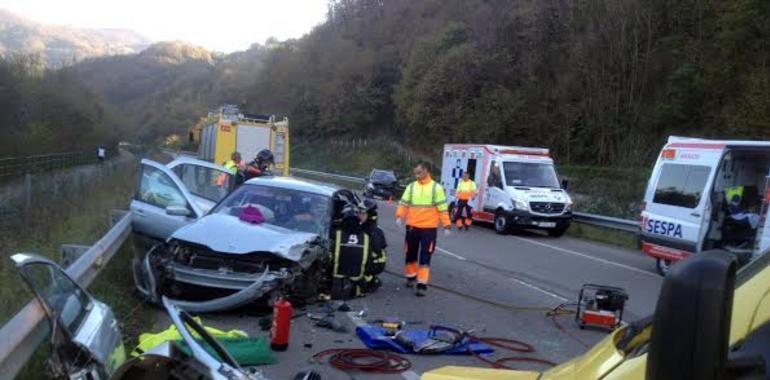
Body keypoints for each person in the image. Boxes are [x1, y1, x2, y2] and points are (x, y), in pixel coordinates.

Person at [395, 161, 451, 296]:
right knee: (410, 253)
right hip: (412, 227)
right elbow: (404, 203)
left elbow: (443, 208)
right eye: (415, 172)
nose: (416, 175)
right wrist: (399, 216)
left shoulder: (436, 188)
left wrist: (446, 225)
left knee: (425, 256)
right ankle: (411, 276)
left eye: (419, 172)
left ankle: (422, 284)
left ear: (426, 171)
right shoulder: (411, 187)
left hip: (429, 229)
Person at [361, 198, 387, 293]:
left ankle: (371, 280)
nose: (359, 215)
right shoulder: (366, 228)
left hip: (375, 264)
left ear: (370, 216)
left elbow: (374, 251)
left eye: (363, 213)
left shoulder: (373, 232)